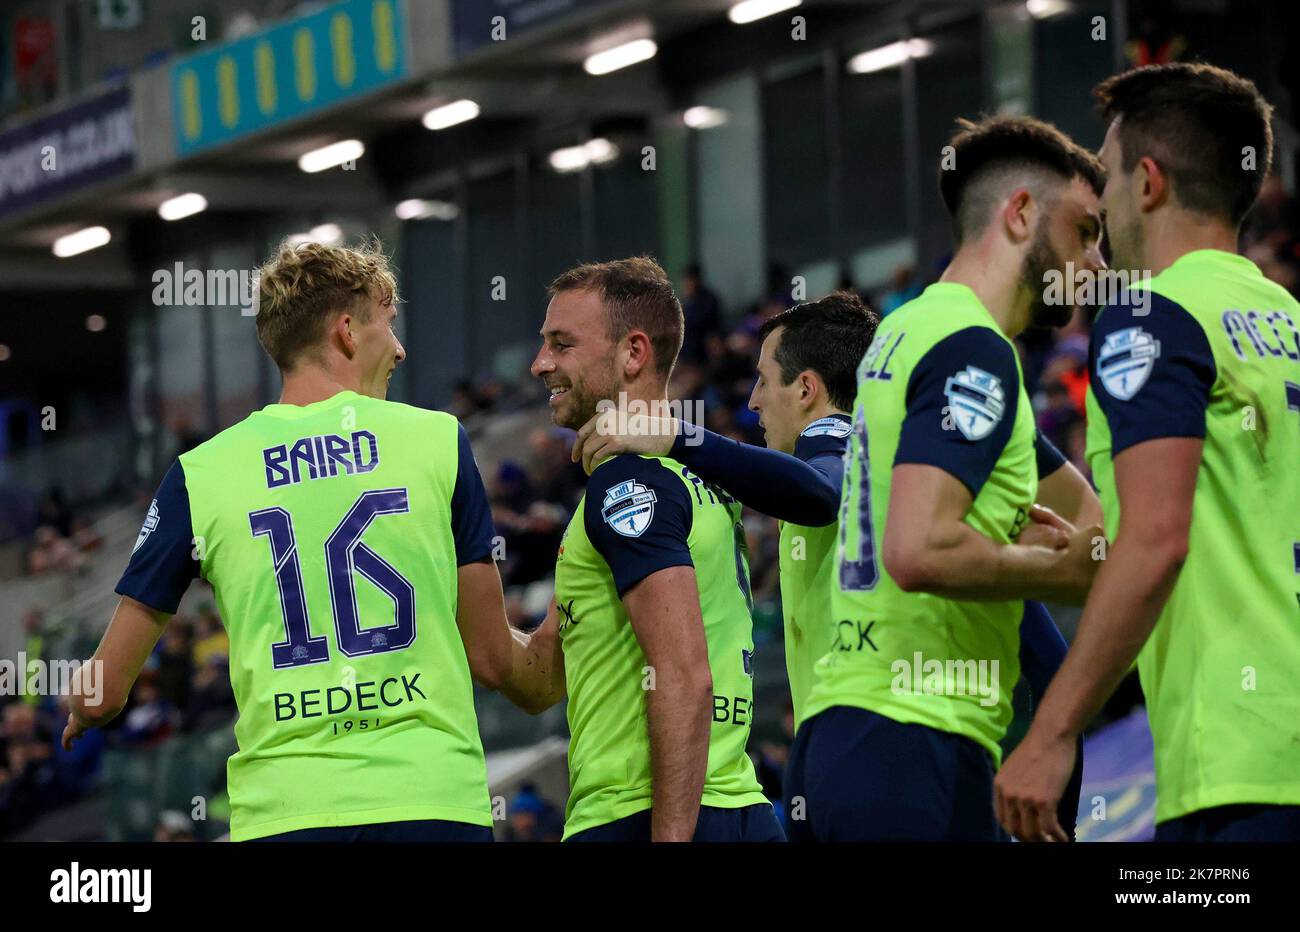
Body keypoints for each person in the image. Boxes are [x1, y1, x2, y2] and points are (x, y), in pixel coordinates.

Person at [573, 290, 1096, 839]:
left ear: (806, 390)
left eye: (762, 380)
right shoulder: (916, 492)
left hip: (882, 771)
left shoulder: (840, 454)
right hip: (912, 772)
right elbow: (1048, 656)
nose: (751, 401)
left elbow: (823, 491)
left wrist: (679, 435)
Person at [63, 239, 528, 842]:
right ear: (346, 332)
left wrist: (79, 705)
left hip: (285, 815)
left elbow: (101, 693)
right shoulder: (437, 440)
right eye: (388, 326)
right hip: (430, 803)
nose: (400, 348)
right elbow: (493, 657)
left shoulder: (202, 474)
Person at [996, 63, 1300, 843]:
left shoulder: (1150, 319)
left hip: (1243, 768)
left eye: (1108, 173)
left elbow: (1161, 541)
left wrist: (1054, 728)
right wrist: (1102, 554)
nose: (1099, 200)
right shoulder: (1287, 320)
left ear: (1151, 183)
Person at [787, 115, 1104, 841]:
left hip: (869, 732)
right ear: (1021, 213)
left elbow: (1090, 522)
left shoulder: (914, 329)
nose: (1095, 263)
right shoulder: (973, 350)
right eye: (1086, 233)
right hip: (907, 739)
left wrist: (1079, 556)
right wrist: (1048, 567)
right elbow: (920, 548)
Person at [508, 257, 781, 842]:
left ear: (633, 353)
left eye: (561, 344)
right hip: (737, 806)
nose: (540, 364)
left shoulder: (627, 484)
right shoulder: (695, 476)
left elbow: (683, 678)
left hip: (642, 812)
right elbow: (542, 677)